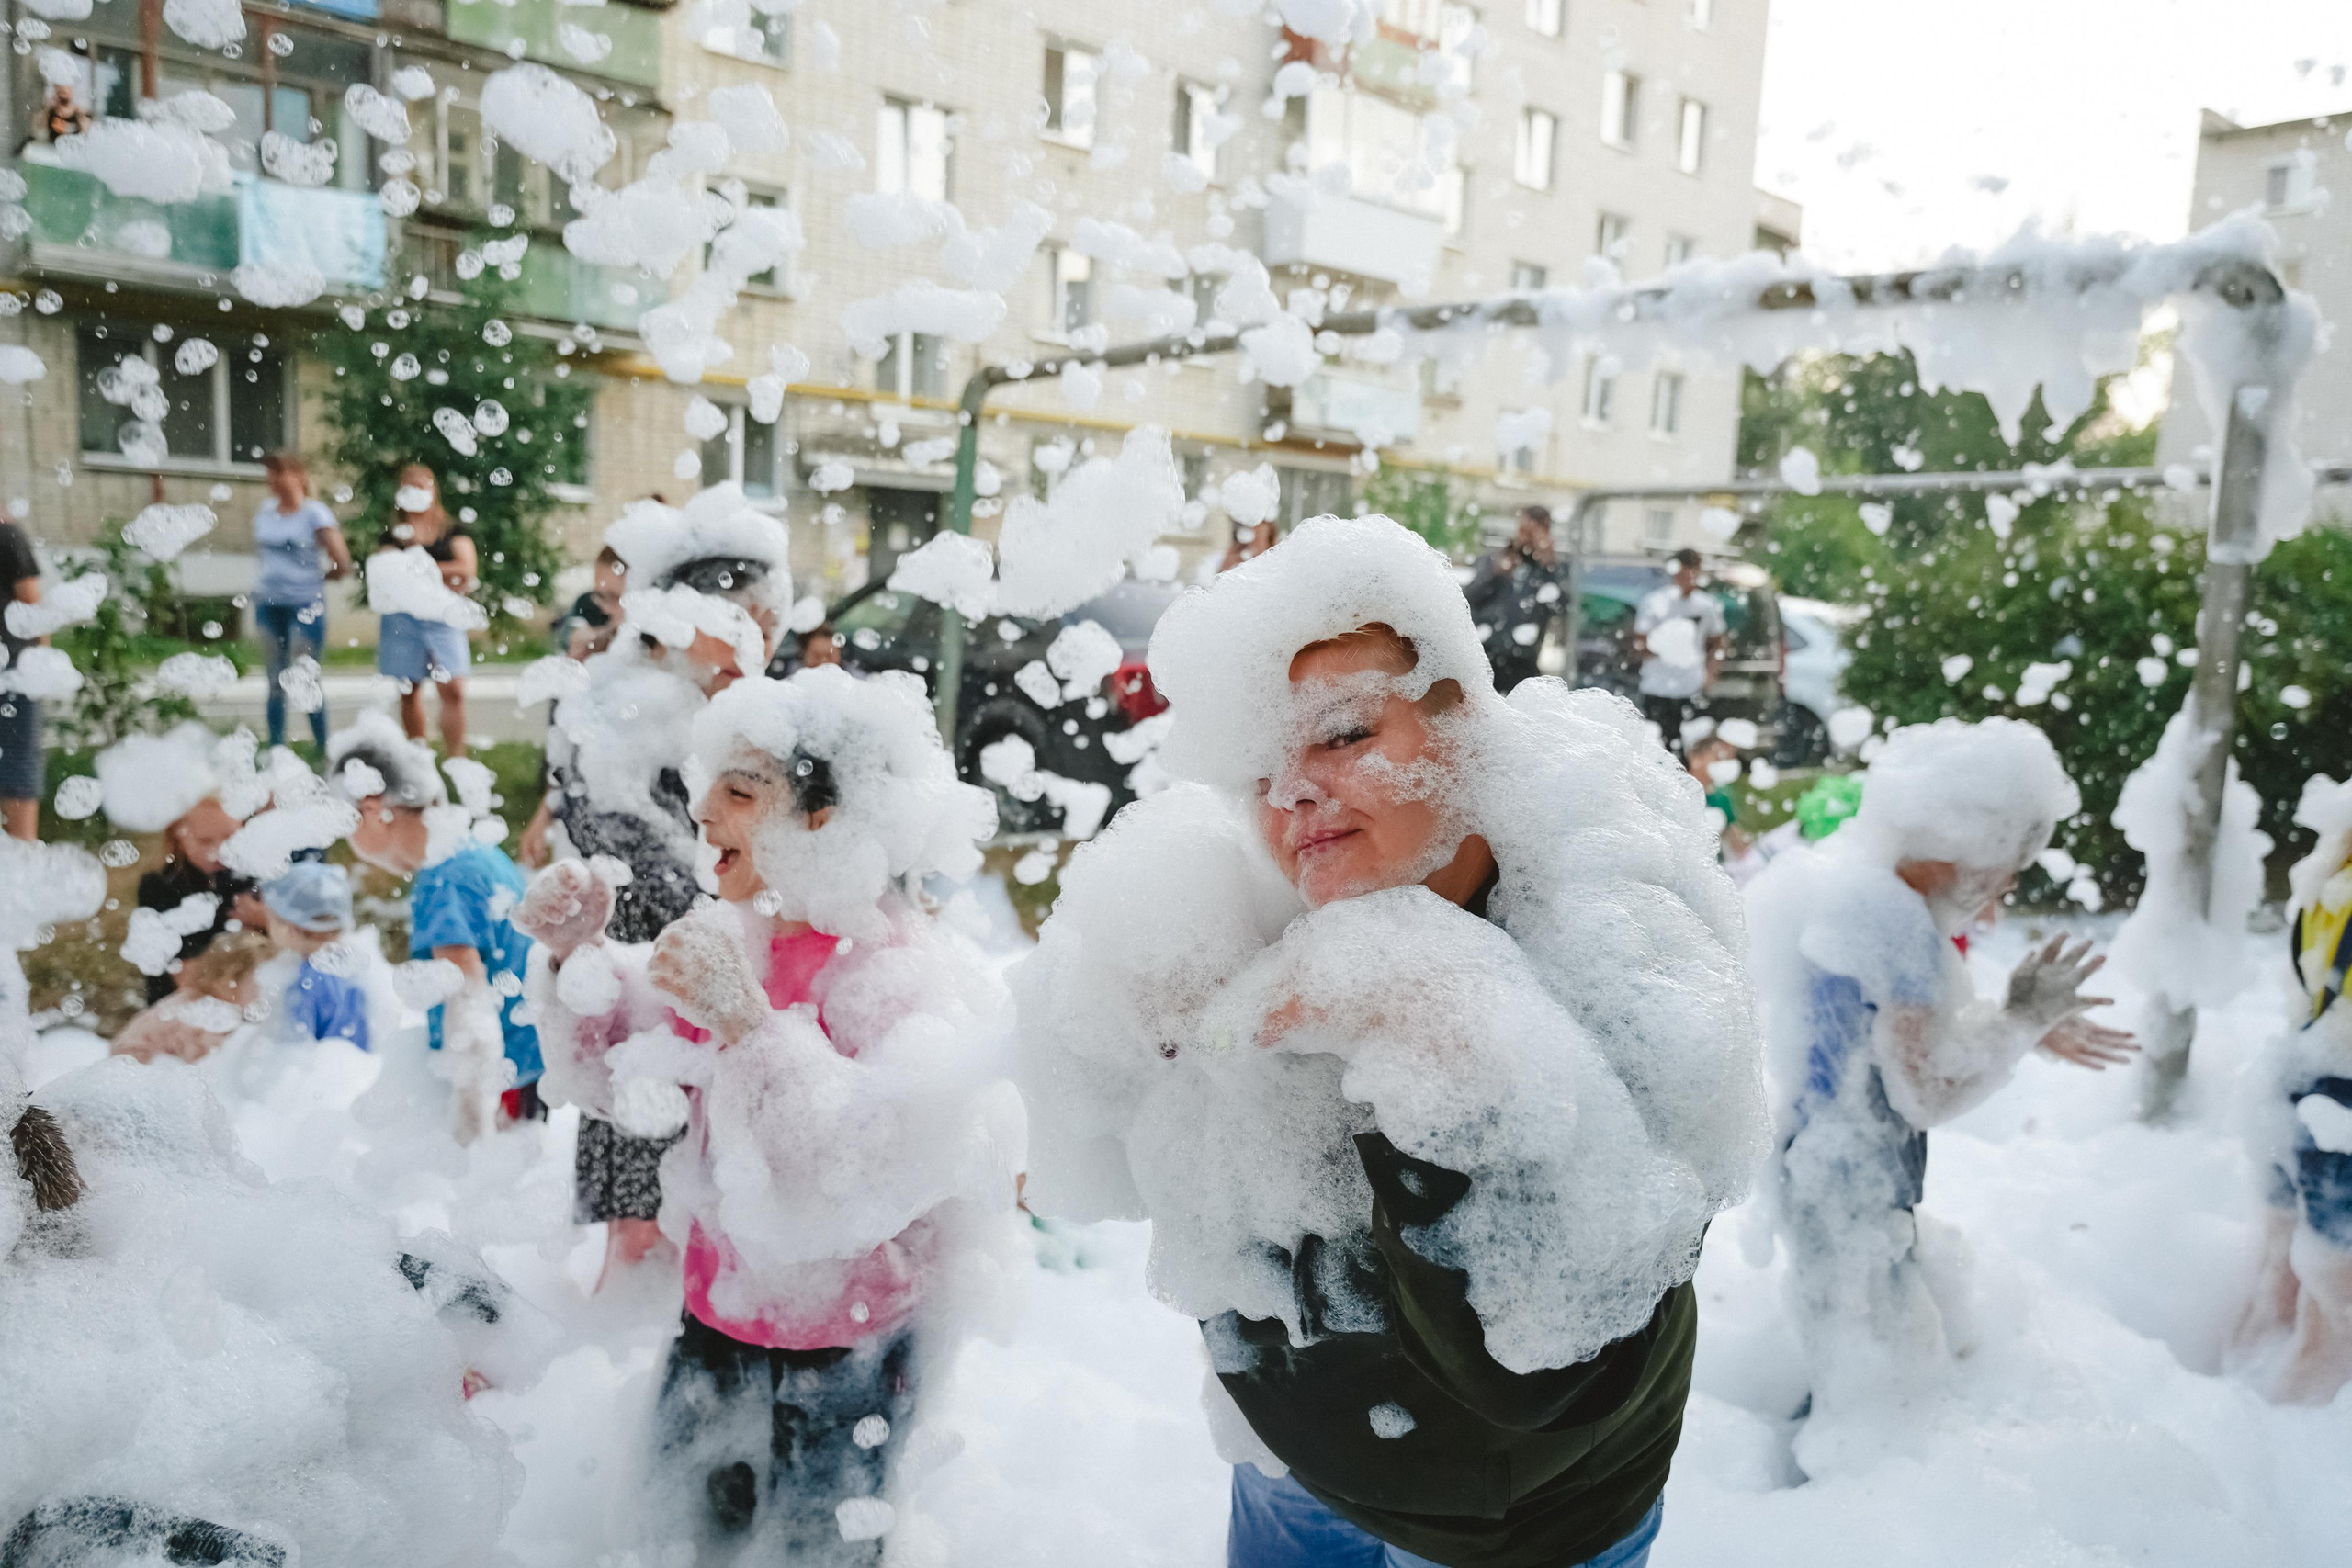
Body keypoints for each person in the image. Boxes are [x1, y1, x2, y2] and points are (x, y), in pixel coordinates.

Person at [1013, 516, 1767, 1568]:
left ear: (1463, 739)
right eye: (1264, 767)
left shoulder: (1613, 924)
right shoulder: (1257, 907)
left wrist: (1429, 1019)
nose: (1292, 792)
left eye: (1343, 734)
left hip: (1514, 1523)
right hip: (1296, 1467)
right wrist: (1122, 1085)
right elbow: (1205, 1106)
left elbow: (1554, 1351)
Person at [516, 666, 1012, 1560]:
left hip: (846, 1353)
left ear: (823, 818)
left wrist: (745, 1023)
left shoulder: (896, 969)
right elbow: (616, 1073)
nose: (702, 809)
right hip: (717, 1320)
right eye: (710, 782)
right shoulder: (745, 932)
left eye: (740, 792)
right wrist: (577, 960)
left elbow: (857, 1175)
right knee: (668, 1545)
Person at [1745, 718, 2136, 1416]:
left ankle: (1825, 1467)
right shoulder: (1894, 926)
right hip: (1853, 1183)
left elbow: (1878, 1036)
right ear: (1973, 843)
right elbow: (1924, 1088)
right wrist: (2020, 1019)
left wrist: (2025, 1028)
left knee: (1847, 1349)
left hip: (1818, 1164)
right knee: (1870, 1377)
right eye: (2010, 865)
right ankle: (1842, 1498)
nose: (2004, 889)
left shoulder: (1845, 882)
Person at [523, 487, 794, 1284]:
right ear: (692, 618)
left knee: (684, 1191)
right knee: (648, 1201)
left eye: (769, 619)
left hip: (668, 981)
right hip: (645, 975)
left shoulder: (679, 697)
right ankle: (629, 1298)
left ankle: (636, 1297)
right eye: (748, 619)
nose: (764, 638)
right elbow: (662, 864)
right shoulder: (641, 710)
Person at [330, 710, 537, 1142]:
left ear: (372, 809)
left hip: (506, 1075)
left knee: (491, 1183)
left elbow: (469, 1000)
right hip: (529, 1057)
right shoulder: (469, 849)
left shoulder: (444, 879)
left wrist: (470, 1131)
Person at [2229, 774, 2352, 1404]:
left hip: (2296, 1080)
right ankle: (2273, 1449)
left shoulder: (2333, 860)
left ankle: (2230, 1392)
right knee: (2335, 1325)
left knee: (2279, 1280)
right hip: (2343, 1114)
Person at [98, 725, 267, 1005]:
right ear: (179, 838)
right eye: (204, 841)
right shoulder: (163, 887)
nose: (218, 851)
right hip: (183, 1006)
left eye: (229, 836)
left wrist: (264, 921)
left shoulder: (254, 875)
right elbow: (189, 979)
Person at [252, 451, 354, 751]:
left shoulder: (315, 514)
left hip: (304, 606)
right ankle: (276, 750)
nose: (273, 479)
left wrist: (318, 579)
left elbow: (343, 562)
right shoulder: (265, 510)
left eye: (280, 472)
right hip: (268, 605)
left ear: (299, 476)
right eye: (270, 473)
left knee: (305, 677)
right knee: (274, 681)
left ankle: (323, 749)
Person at [374, 464, 477, 759]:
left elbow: (467, 572)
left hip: (445, 617)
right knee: (409, 690)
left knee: (454, 688)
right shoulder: (392, 534)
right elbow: (387, 577)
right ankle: (419, 759)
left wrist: (416, 570)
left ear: (434, 490)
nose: (417, 490)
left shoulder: (453, 530)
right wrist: (441, 572)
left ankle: (457, 759)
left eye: (423, 484)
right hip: (402, 619)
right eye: (410, 485)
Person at [109, 930, 272, 1066]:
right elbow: (214, 1069)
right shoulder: (209, 1017)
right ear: (228, 980)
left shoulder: (192, 999)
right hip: (138, 1076)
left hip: (128, 1066)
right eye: (260, 981)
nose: (266, 990)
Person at [259, 860, 370, 1051]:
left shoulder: (308, 982)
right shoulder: (349, 966)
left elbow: (292, 1048)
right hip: (353, 1066)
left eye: (270, 918)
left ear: (288, 930)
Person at [1630, 548, 1724, 759]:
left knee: (1689, 749)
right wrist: (1668, 645)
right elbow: (1640, 642)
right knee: (1656, 749)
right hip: (1658, 686)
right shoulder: (1655, 602)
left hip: (1690, 687)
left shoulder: (1706, 605)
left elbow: (1717, 641)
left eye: (1693, 572)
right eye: (1683, 572)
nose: (1688, 578)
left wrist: (1711, 673)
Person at [1461, 503, 1566, 694]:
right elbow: (1468, 599)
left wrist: (1548, 566)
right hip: (1484, 654)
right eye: (1524, 529)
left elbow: (1562, 609)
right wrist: (1495, 574)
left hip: (1524, 661)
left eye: (1534, 532)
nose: (1526, 537)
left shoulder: (1550, 570)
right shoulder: (1494, 560)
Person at [0, 513, 43, 840]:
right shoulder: (7, 532)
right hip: (12, 663)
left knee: (16, 762)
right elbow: (30, 599)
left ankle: (22, 857)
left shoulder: (7, 534)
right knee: (17, 761)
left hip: (12, 664)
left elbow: (30, 602)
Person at [554, 545, 629, 661]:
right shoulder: (589, 604)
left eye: (614, 597)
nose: (605, 608)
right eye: (600, 595)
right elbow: (570, 640)